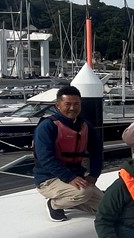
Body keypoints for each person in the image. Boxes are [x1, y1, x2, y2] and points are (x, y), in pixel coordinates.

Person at [33, 85, 103, 221]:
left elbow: (97, 152)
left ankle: (70, 200)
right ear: (58, 105)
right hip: (49, 179)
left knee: (105, 207)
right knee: (83, 193)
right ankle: (54, 204)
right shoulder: (47, 127)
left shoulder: (85, 126)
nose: (72, 108)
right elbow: (45, 158)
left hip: (76, 176)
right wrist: (69, 177)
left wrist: (94, 174)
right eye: (68, 104)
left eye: (76, 104)